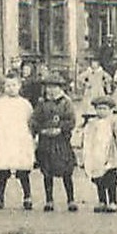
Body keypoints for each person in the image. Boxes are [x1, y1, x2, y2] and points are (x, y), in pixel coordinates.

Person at [32, 70, 79, 211]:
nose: (51, 90)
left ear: (60, 88)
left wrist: (61, 129)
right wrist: (41, 130)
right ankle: (49, 200)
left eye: (54, 87)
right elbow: (34, 120)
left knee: (66, 171)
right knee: (47, 171)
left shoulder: (66, 103)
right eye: (48, 87)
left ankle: (70, 199)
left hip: (61, 141)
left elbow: (71, 120)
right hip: (46, 141)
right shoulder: (41, 103)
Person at [0, 74, 36, 210]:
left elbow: (30, 122)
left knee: (22, 169)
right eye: (8, 85)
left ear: (19, 86)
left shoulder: (25, 104)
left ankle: (27, 197)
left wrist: (31, 138)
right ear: (4, 87)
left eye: (14, 85)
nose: (11, 88)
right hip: (4, 139)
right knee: (3, 169)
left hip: (20, 139)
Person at [81, 93, 117, 213]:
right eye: (99, 108)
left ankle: (113, 201)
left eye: (104, 108)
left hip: (109, 154)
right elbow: (87, 138)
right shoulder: (92, 123)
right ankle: (102, 200)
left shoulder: (113, 122)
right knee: (99, 179)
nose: (101, 111)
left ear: (110, 110)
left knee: (111, 179)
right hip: (96, 155)